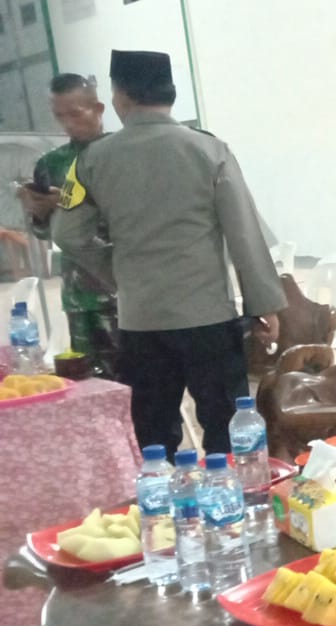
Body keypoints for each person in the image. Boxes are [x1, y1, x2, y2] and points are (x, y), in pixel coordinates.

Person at [52, 50, 284, 457]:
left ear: (121, 97)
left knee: (153, 436)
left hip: (140, 321)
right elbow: (244, 234)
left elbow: (68, 234)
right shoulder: (210, 150)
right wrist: (263, 305)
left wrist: (118, 273)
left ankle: (161, 497)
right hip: (207, 318)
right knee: (228, 432)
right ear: (170, 94)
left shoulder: (90, 160)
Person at [17, 73, 120, 379]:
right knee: (88, 380)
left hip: (119, 284)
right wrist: (38, 212)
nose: (68, 124)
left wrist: (69, 204)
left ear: (98, 109)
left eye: (75, 114)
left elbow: (131, 216)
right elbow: (45, 232)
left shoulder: (121, 154)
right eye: (59, 116)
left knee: (133, 377)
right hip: (77, 292)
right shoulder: (52, 164)